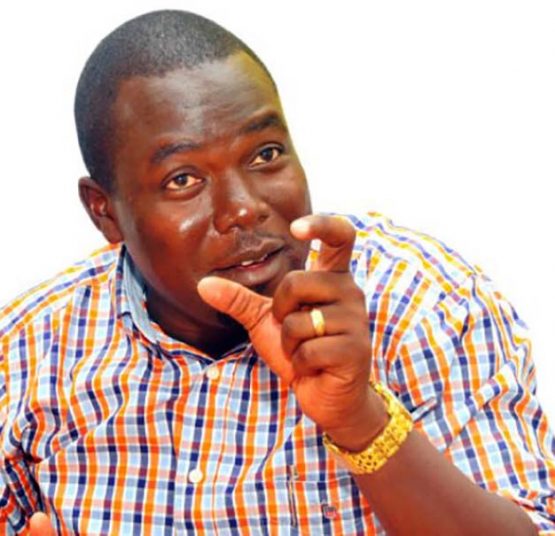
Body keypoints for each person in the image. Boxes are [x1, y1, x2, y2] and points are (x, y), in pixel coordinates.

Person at [0, 9, 553, 535]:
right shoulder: (29, 353)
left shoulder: (427, 303)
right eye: (183, 180)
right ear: (105, 212)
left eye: (265, 154)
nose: (243, 209)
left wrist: (361, 420)